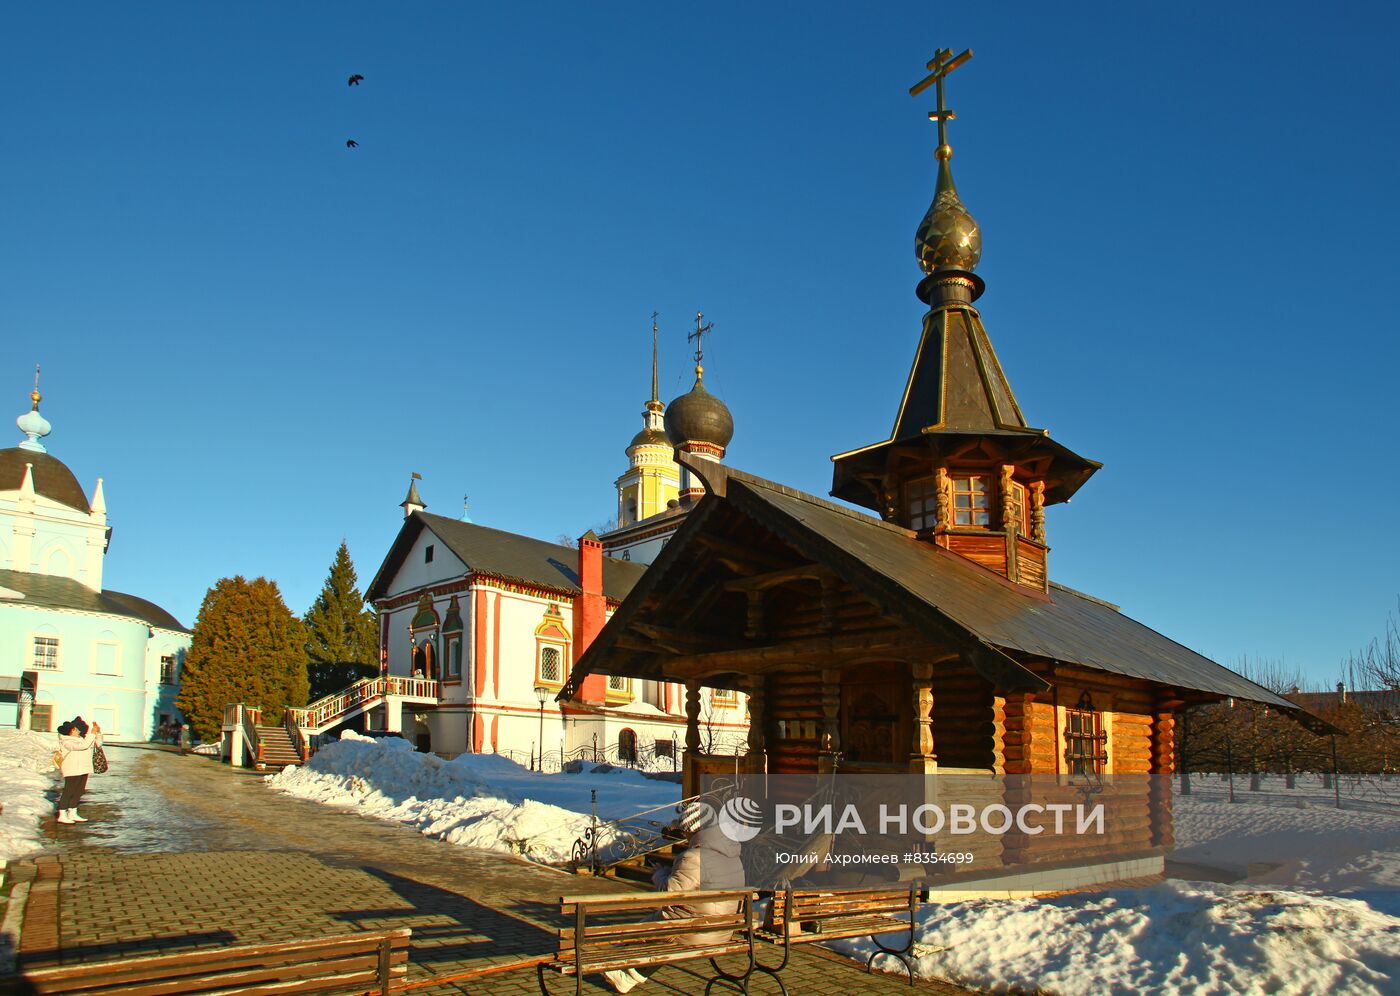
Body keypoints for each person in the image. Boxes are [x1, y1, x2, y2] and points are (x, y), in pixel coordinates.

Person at [601, 811, 747, 993]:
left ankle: (615, 962)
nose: (684, 835)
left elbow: (668, 894)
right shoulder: (732, 854)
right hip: (722, 930)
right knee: (663, 926)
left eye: (685, 831)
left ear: (694, 831)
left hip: (696, 932)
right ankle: (627, 974)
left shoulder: (694, 857)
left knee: (651, 927)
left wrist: (659, 874)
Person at [55, 715, 102, 825]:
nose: (79, 731)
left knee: (78, 791)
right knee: (69, 791)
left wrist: (98, 733)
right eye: (76, 729)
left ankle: (72, 812)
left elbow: (98, 744)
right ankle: (62, 814)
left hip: (83, 768)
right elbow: (82, 746)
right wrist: (91, 734)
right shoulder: (66, 741)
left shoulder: (82, 739)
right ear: (71, 730)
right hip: (72, 769)